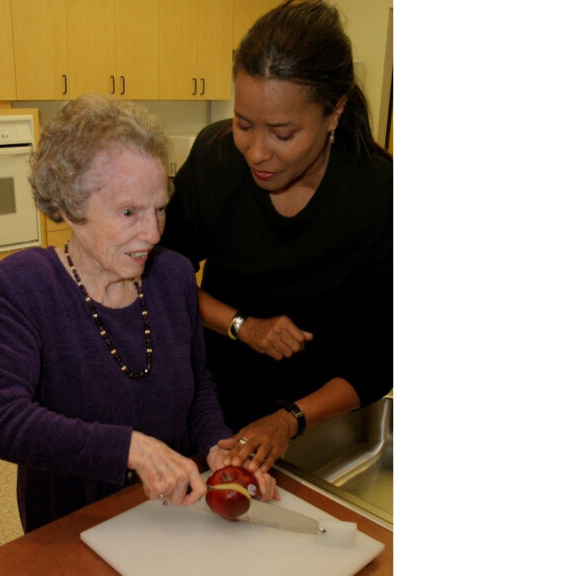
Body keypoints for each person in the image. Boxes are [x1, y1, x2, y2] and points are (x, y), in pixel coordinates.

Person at [0, 94, 277, 533]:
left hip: (173, 510)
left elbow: (198, 385)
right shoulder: (23, 286)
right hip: (76, 523)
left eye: (160, 209)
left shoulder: (172, 275)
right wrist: (129, 449)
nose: (151, 234)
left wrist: (216, 447)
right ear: (69, 207)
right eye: (129, 212)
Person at [158, 0, 393, 474]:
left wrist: (290, 420)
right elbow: (164, 273)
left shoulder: (378, 196)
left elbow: (379, 358)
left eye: (283, 133)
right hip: (210, 407)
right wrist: (242, 325)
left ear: (334, 112)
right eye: (244, 123)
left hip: (316, 425)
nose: (256, 151)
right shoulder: (216, 158)